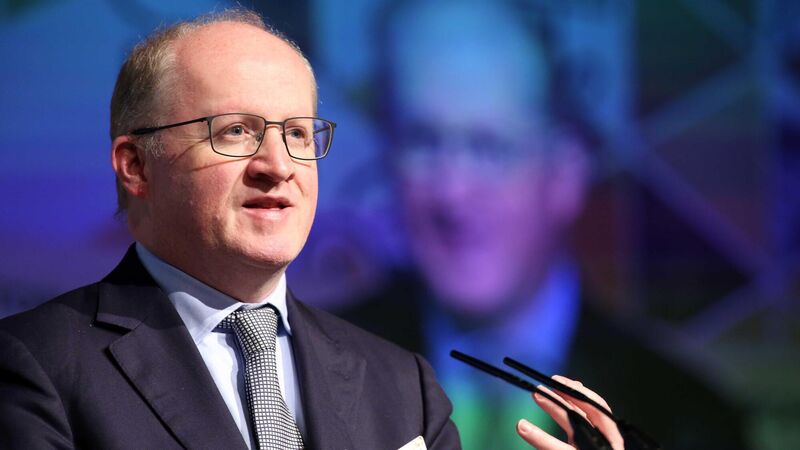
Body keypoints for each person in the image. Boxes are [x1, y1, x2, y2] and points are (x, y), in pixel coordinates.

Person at [0, 7, 636, 450]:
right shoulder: (37, 367)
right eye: (236, 132)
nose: (277, 165)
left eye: (299, 135)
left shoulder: (402, 384)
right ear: (136, 166)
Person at [341, 1, 748, 449]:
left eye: (489, 148)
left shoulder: (685, 423)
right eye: (423, 142)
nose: (453, 192)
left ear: (566, 171)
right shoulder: (318, 370)